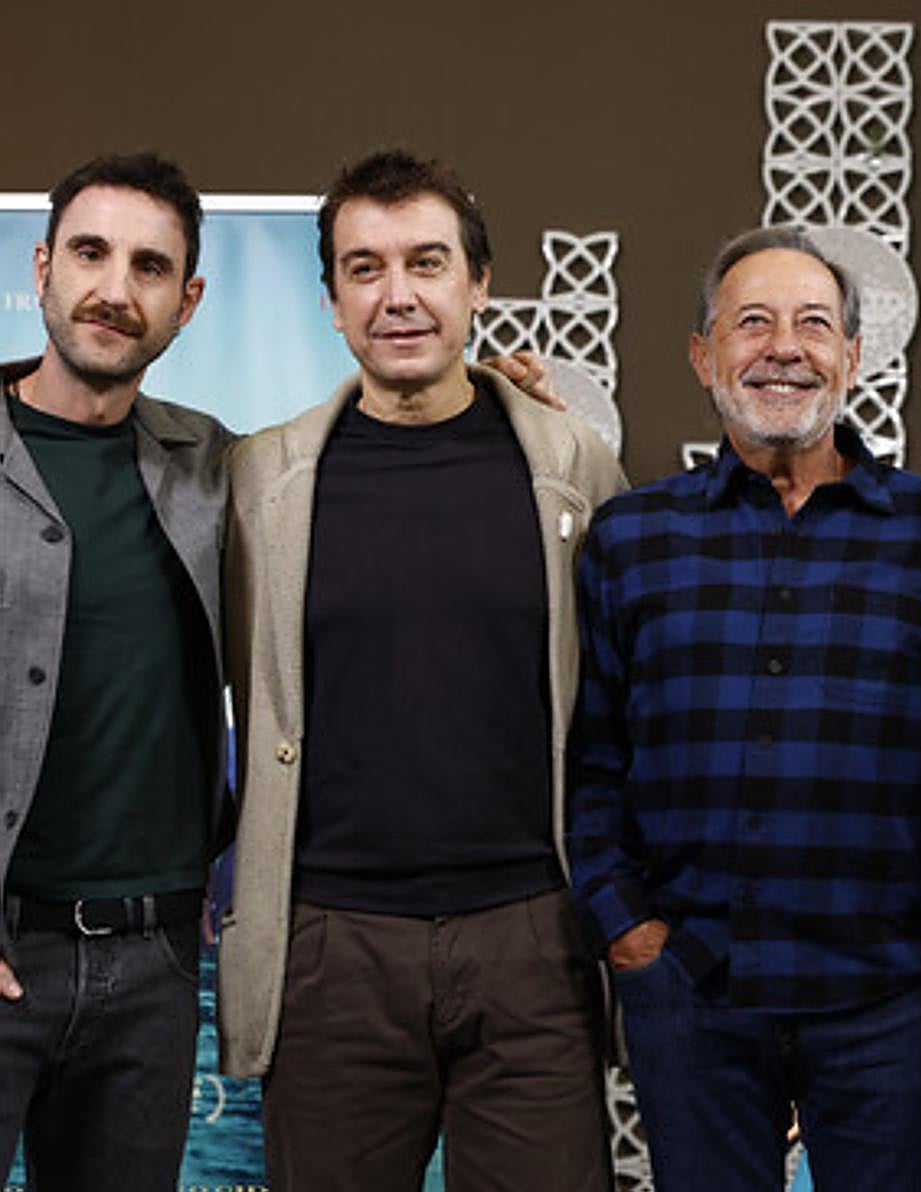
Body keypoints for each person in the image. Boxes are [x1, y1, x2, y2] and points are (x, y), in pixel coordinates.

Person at [216, 148, 625, 1192]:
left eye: (427, 263)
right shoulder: (263, 479)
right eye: (365, 268)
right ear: (331, 301)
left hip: (532, 938)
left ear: (478, 284)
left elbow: (619, 706)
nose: (397, 294)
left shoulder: (574, 467)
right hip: (330, 944)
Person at [569, 224, 921, 1191]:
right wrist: (628, 931)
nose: (784, 348)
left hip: (887, 998)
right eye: (752, 323)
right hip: (692, 988)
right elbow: (591, 764)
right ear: (703, 355)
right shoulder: (632, 539)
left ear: (853, 356)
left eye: (814, 325)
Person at [0, 152, 231, 1189]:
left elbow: (358, 456)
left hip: (157, 964)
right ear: (42, 267)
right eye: (90, 253)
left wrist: (496, 397)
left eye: (150, 266)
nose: (114, 288)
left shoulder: (216, 465)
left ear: (187, 301)